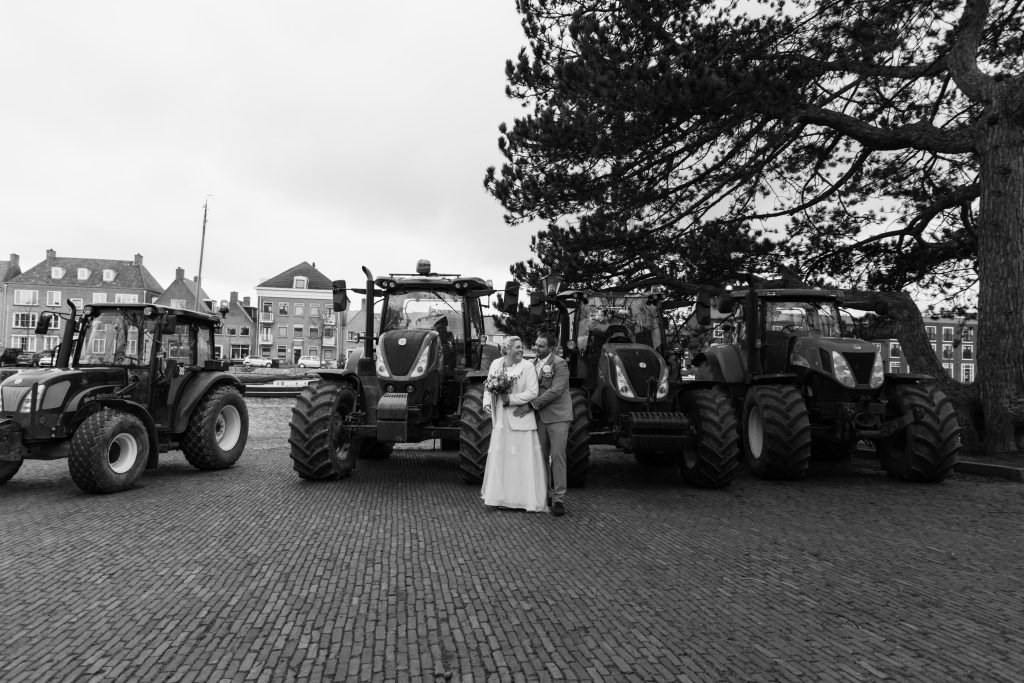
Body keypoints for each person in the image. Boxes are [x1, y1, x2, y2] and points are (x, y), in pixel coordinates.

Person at [480, 336, 548, 512]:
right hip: (500, 419)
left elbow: (533, 391)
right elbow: (489, 386)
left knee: (521, 460)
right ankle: (500, 498)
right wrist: (487, 403)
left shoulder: (527, 367)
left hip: (520, 418)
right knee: (501, 457)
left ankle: (524, 500)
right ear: (507, 349)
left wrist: (511, 399)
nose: (521, 350)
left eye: (521, 347)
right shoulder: (496, 363)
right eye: (517, 347)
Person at [515, 332, 572, 517]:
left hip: (558, 417)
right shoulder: (532, 364)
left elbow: (556, 390)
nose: (536, 348)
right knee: (540, 458)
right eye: (536, 345)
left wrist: (531, 405)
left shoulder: (560, 363)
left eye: (541, 346)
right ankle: (545, 494)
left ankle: (559, 499)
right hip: (539, 418)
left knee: (557, 457)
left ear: (551, 348)